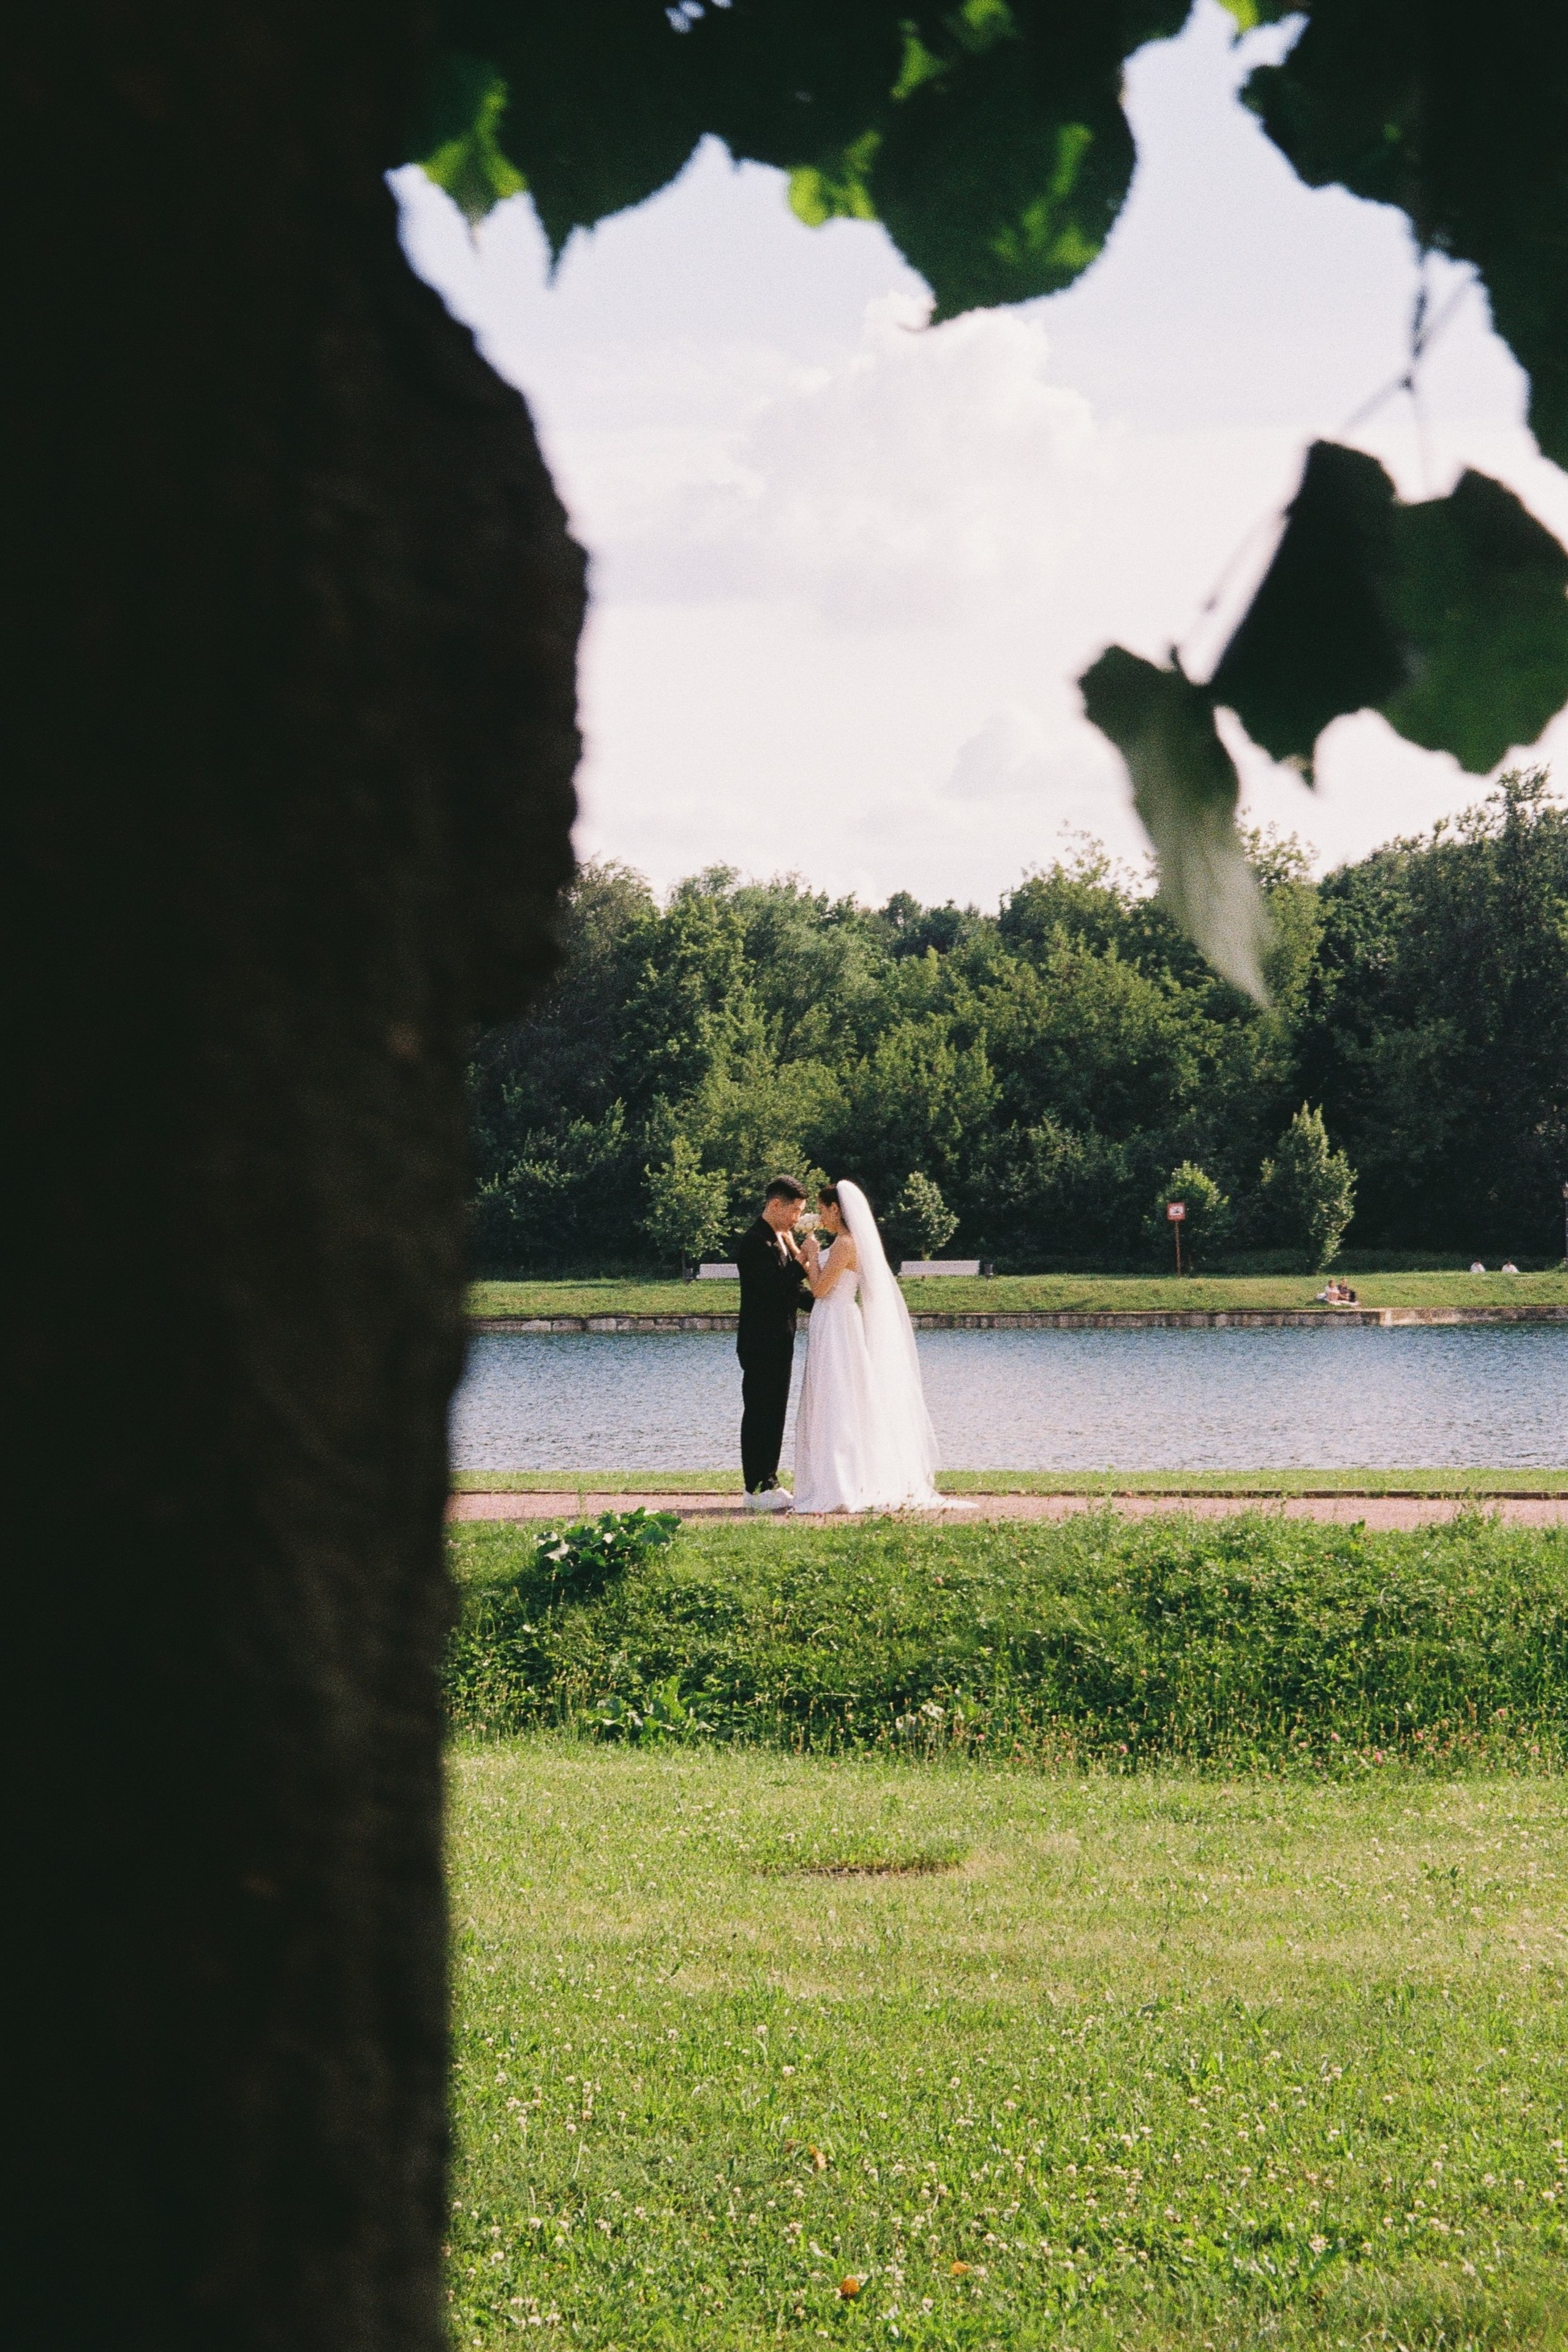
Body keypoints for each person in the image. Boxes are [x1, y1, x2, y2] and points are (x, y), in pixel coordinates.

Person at [791, 1180, 964, 1514]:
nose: (821, 1215)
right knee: (826, 1395)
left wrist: (812, 1256)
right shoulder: (838, 1242)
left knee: (839, 1396)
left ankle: (843, 1481)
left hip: (838, 1322)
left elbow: (821, 1289)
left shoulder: (846, 1243)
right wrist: (806, 1255)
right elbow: (815, 1277)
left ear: (836, 1209)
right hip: (828, 1322)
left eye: (823, 1209)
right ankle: (828, 1476)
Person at [735, 1175, 812, 1511]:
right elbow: (774, 1288)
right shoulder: (754, 1242)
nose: (797, 1218)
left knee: (775, 1413)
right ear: (776, 1205)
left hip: (781, 1340)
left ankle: (770, 1481)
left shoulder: (780, 1239)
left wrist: (825, 1305)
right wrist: (802, 1260)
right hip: (760, 1342)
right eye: (795, 1210)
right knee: (759, 1413)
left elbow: (792, 1293)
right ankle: (753, 1488)